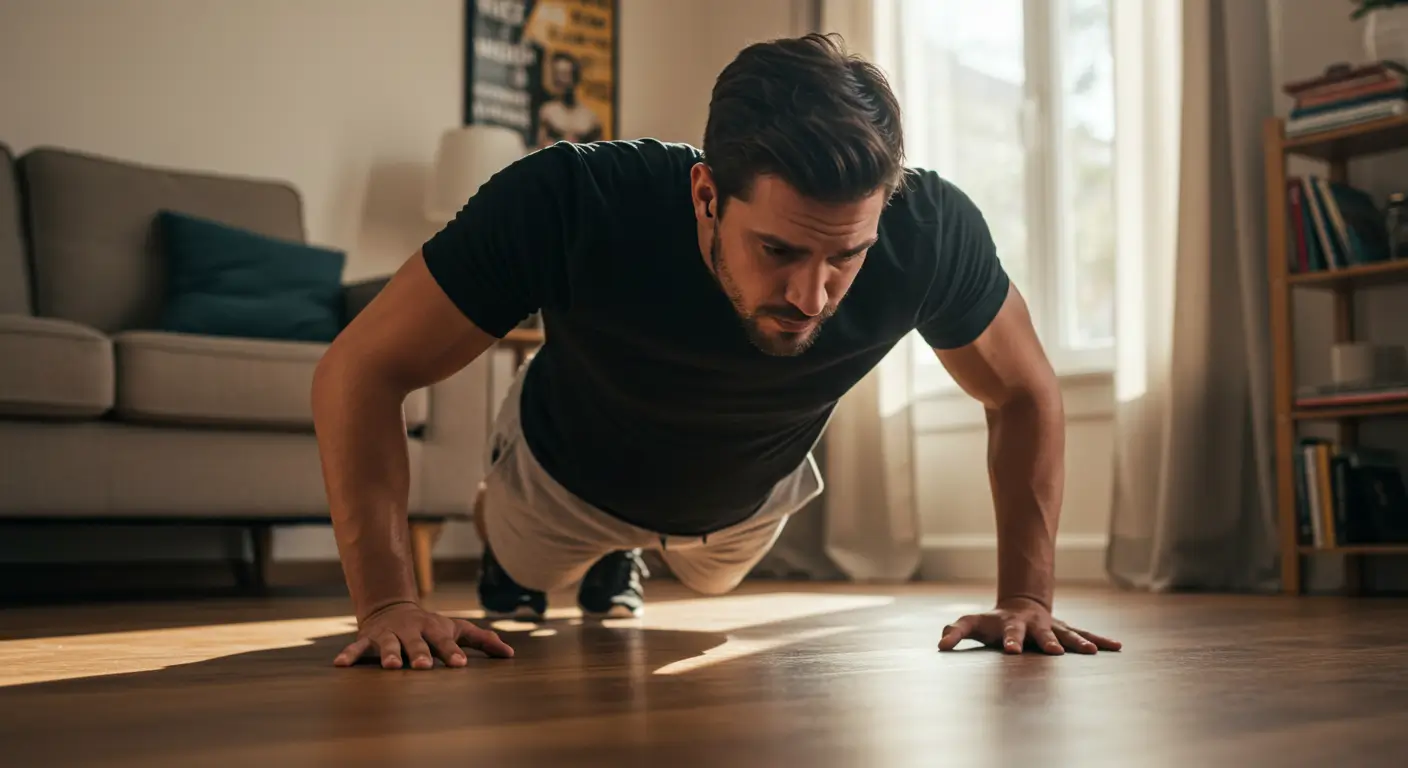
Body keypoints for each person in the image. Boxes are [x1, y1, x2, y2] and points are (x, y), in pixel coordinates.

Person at [312, 33, 1122, 671]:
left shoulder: (930, 231)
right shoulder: (566, 201)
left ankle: (627, 561)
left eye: (846, 256)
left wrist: (1027, 597)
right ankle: (532, 517)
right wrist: (387, 606)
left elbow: (1025, 391)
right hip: (563, 478)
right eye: (778, 251)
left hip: (745, 500)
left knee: (711, 583)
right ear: (705, 195)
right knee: (524, 556)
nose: (812, 297)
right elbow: (360, 366)